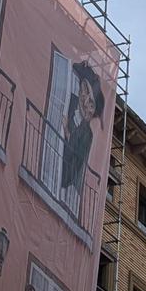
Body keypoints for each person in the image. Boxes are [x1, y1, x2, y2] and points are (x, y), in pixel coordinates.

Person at [59, 60, 106, 193]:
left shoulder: (87, 134)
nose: (86, 103)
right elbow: (74, 66)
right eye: (85, 90)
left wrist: (67, 134)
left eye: (92, 104)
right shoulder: (67, 102)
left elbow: (70, 172)